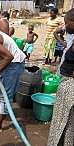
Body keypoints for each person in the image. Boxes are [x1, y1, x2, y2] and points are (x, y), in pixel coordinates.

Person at [47, 8, 74, 146]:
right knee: (64, 122)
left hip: (70, 86)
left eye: (67, 22)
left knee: (65, 123)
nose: (65, 26)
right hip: (67, 82)